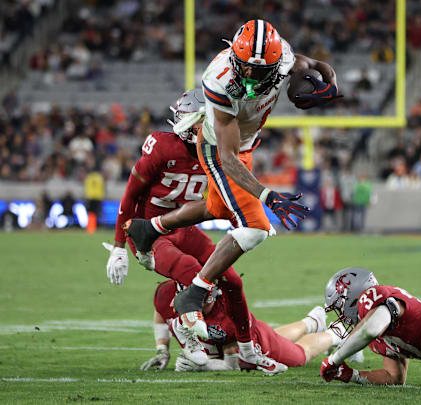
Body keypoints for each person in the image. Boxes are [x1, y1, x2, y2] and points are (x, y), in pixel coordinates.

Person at [124, 19, 341, 366]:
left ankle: (153, 227)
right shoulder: (220, 80)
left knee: (217, 207)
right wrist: (267, 195)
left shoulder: (284, 59)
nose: (253, 80)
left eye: (261, 72)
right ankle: (195, 291)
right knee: (256, 227)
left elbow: (313, 65)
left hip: (245, 145)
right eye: (247, 70)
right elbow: (226, 157)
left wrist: (327, 84)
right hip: (216, 147)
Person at [103, 88, 256, 367]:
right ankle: (190, 339)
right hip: (149, 232)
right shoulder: (163, 147)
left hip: (182, 228)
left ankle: (247, 348)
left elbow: (226, 196)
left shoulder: (217, 152)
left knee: (232, 280)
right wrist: (118, 246)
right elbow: (130, 194)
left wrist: (243, 222)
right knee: (190, 271)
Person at [141, 280, 354, 373]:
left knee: (298, 356)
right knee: (275, 335)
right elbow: (161, 313)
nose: (197, 308)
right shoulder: (166, 294)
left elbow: (234, 358)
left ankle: (337, 333)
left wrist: (205, 366)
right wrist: (162, 349)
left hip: (249, 342)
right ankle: (312, 322)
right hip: (222, 346)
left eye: (204, 301)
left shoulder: (227, 313)